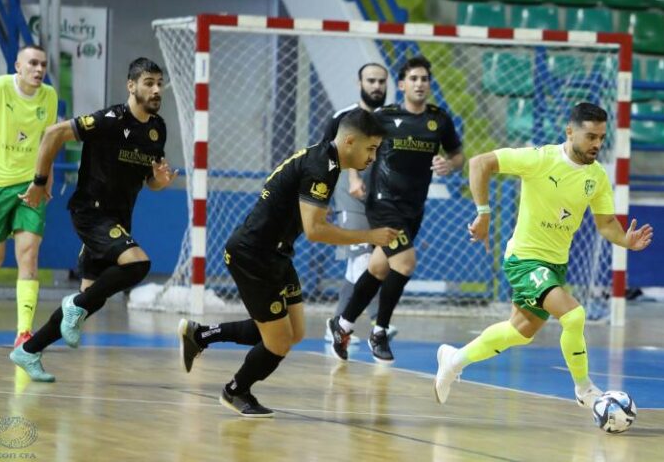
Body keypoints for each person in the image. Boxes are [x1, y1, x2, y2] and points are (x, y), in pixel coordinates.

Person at [178, 109, 397, 418]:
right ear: (349, 141)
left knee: (292, 332)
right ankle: (235, 391)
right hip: (253, 255)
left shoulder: (328, 161)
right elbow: (315, 231)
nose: (373, 157)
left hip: (276, 254)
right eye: (371, 148)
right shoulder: (322, 166)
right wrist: (370, 235)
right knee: (278, 342)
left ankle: (200, 335)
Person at [433, 102, 654, 408]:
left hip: (554, 264)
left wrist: (625, 241)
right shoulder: (540, 158)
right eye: (591, 136)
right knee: (574, 315)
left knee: (520, 332)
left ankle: (454, 359)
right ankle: (584, 389)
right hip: (525, 260)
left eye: (602, 137)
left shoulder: (598, 176)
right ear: (570, 131)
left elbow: (605, 224)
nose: (597, 144)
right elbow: (479, 163)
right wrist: (483, 213)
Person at [9, 57, 177, 382]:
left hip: (118, 219)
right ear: (131, 86)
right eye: (149, 83)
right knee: (138, 264)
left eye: (159, 84)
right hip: (91, 211)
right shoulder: (110, 119)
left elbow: (151, 182)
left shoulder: (157, 130)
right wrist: (40, 181)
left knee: (92, 301)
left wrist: (160, 181)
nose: (156, 90)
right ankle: (75, 305)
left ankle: (28, 351)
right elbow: (53, 133)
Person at [327, 55, 464, 364]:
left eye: (424, 79)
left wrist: (449, 164)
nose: (419, 84)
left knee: (378, 267)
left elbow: (458, 155)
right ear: (402, 85)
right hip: (382, 202)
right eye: (413, 79)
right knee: (404, 263)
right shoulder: (383, 116)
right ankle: (380, 331)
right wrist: (352, 176)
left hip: (414, 207)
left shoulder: (439, 119)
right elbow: (350, 141)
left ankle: (343, 324)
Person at [0, 45, 58, 347]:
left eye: (43, 64)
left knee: (29, 254)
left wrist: (45, 178)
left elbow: (47, 140)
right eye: (33, 63)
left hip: (30, 186)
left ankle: (23, 333)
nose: (39, 70)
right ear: (18, 65)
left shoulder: (49, 96)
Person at [323, 63, 398, 343]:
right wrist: (324, 196)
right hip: (349, 196)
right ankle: (374, 323)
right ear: (359, 83)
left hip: (383, 200)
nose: (376, 86)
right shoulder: (342, 117)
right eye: (371, 81)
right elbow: (325, 156)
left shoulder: (392, 119)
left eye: (381, 81)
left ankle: (340, 323)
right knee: (361, 261)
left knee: (378, 262)